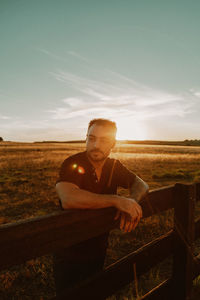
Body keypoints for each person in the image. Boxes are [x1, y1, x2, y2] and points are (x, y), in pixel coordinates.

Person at [53, 118, 149, 296]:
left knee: (93, 292)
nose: (96, 145)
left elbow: (140, 184)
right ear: (86, 139)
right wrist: (117, 200)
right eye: (91, 138)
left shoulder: (114, 166)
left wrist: (132, 201)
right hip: (69, 251)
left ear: (113, 143)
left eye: (104, 140)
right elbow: (69, 198)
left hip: (98, 246)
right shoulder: (73, 163)